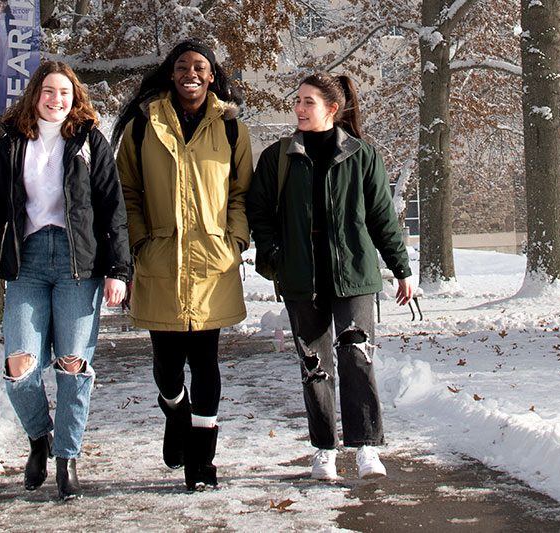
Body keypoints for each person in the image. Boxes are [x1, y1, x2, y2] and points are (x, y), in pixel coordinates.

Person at [0, 61, 131, 501]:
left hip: (78, 264)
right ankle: (39, 438)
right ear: (35, 95)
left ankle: (67, 458)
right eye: (49, 91)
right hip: (26, 263)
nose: (56, 99)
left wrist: (119, 270)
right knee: (19, 365)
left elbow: (112, 210)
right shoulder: (11, 144)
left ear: (75, 97)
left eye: (65, 92)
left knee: (72, 365)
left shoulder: (89, 142)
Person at [246, 72, 414, 481]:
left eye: (308, 102)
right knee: (314, 363)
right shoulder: (278, 156)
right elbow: (260, 213)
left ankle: (366, 447)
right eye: (297, 101)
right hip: (302, 275)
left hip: (354, 274)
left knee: (357, 357)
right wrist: (274, 258)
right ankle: (323, 448)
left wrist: (401, 269)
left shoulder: (362, 155)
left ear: (332, 109)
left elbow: (381, 217)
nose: (299, 109)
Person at [111, 39, 252, 491]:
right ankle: (176, 411)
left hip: (213, 262)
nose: (191, 72)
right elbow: (126, 192)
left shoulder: (232, 128)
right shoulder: (142, 125)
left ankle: (203, 464)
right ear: (172, 74)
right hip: (161, 262)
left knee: (206, 362)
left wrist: (234, 242)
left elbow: (241, 195)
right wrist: (139, 242)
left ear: (212, 76)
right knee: (167, 368)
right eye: (183, 66)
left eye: (201, 67)